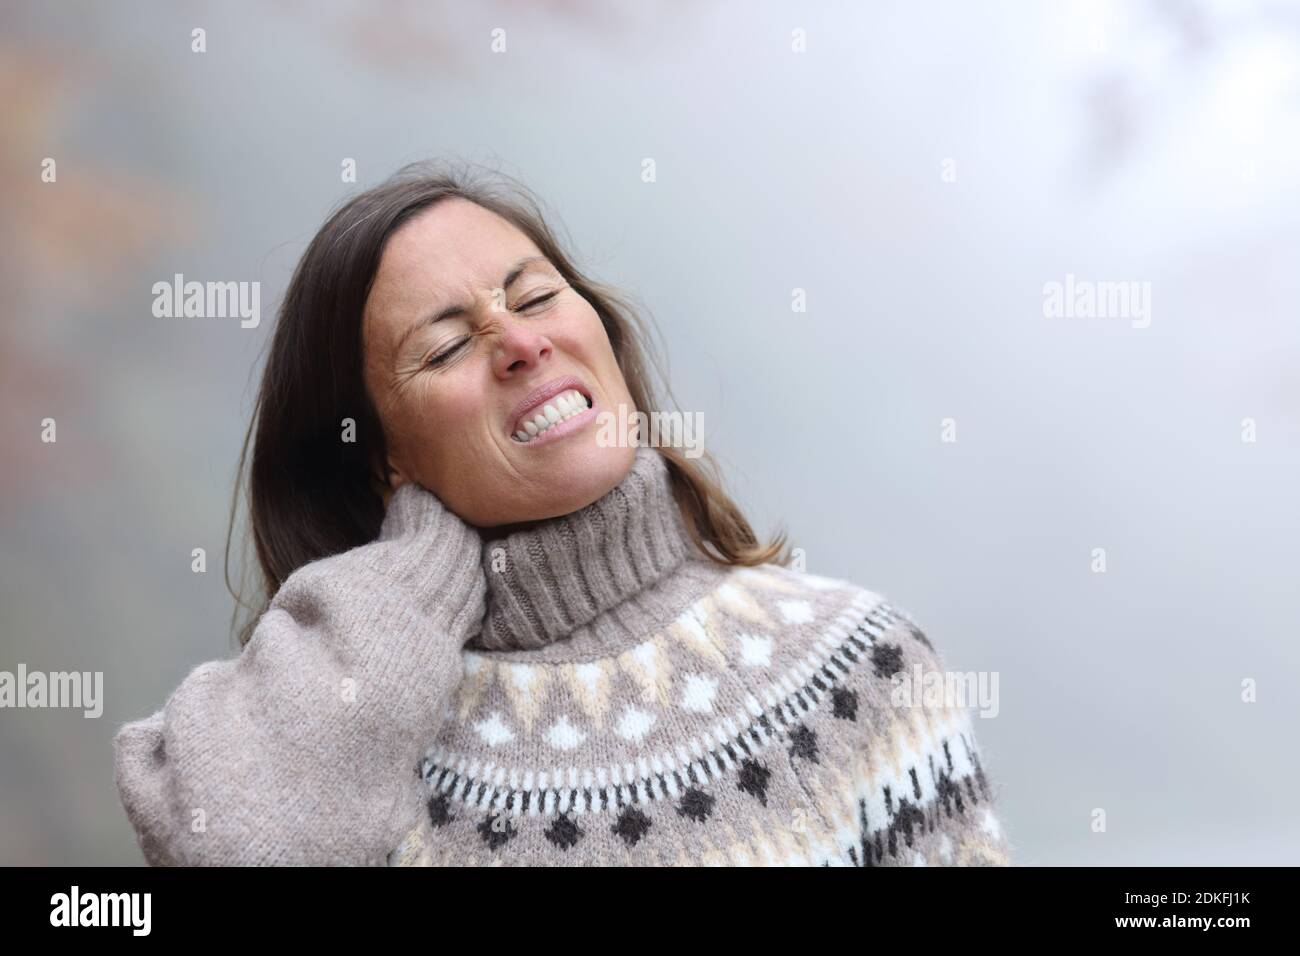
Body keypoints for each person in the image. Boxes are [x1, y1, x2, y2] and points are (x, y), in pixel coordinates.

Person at [112, 161, 1014, 866]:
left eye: (536, 294)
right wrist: (406, 577)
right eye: (450, 345)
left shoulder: (855, 668)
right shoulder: (346, 728)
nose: (522, 341)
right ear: (381, 449)